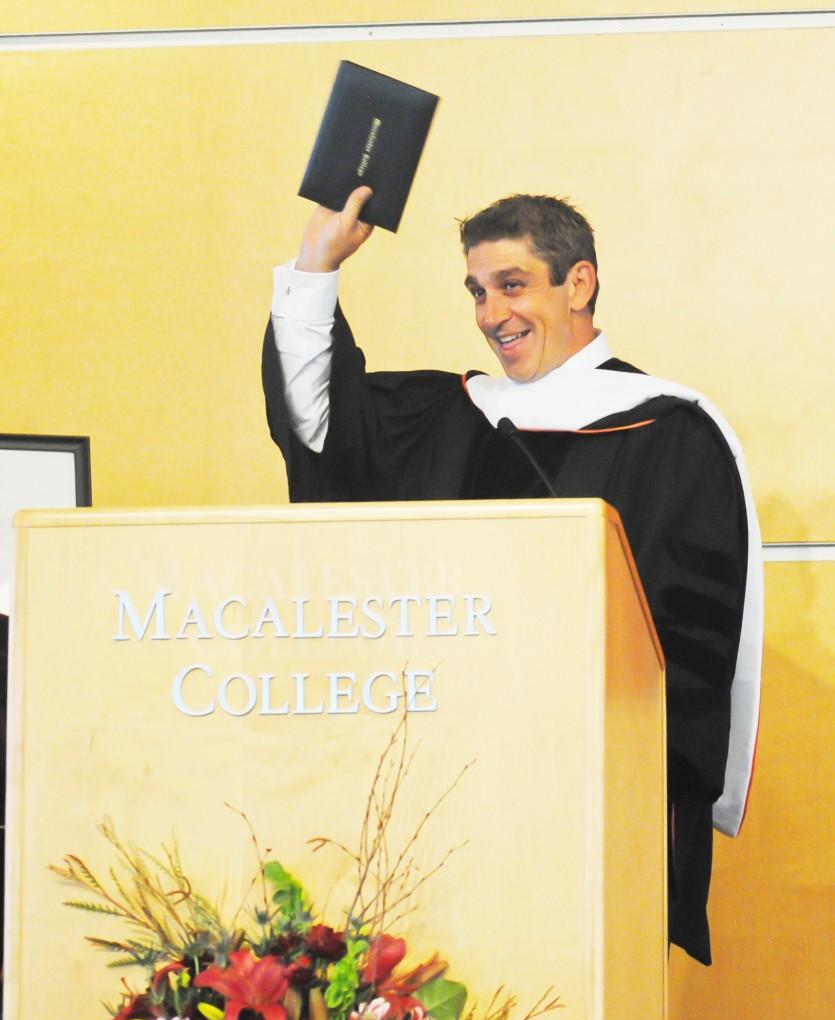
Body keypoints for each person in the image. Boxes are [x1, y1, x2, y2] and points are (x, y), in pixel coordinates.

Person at [262, 188, 763, 965]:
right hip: (439, 796)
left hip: (583, 809)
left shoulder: (667, 434)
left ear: (579, 283)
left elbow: (688, 652)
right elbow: (320, 429)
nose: (491, 312)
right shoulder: (453, 413)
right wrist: (315, 266)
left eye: (512, 284)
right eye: (476, 290)